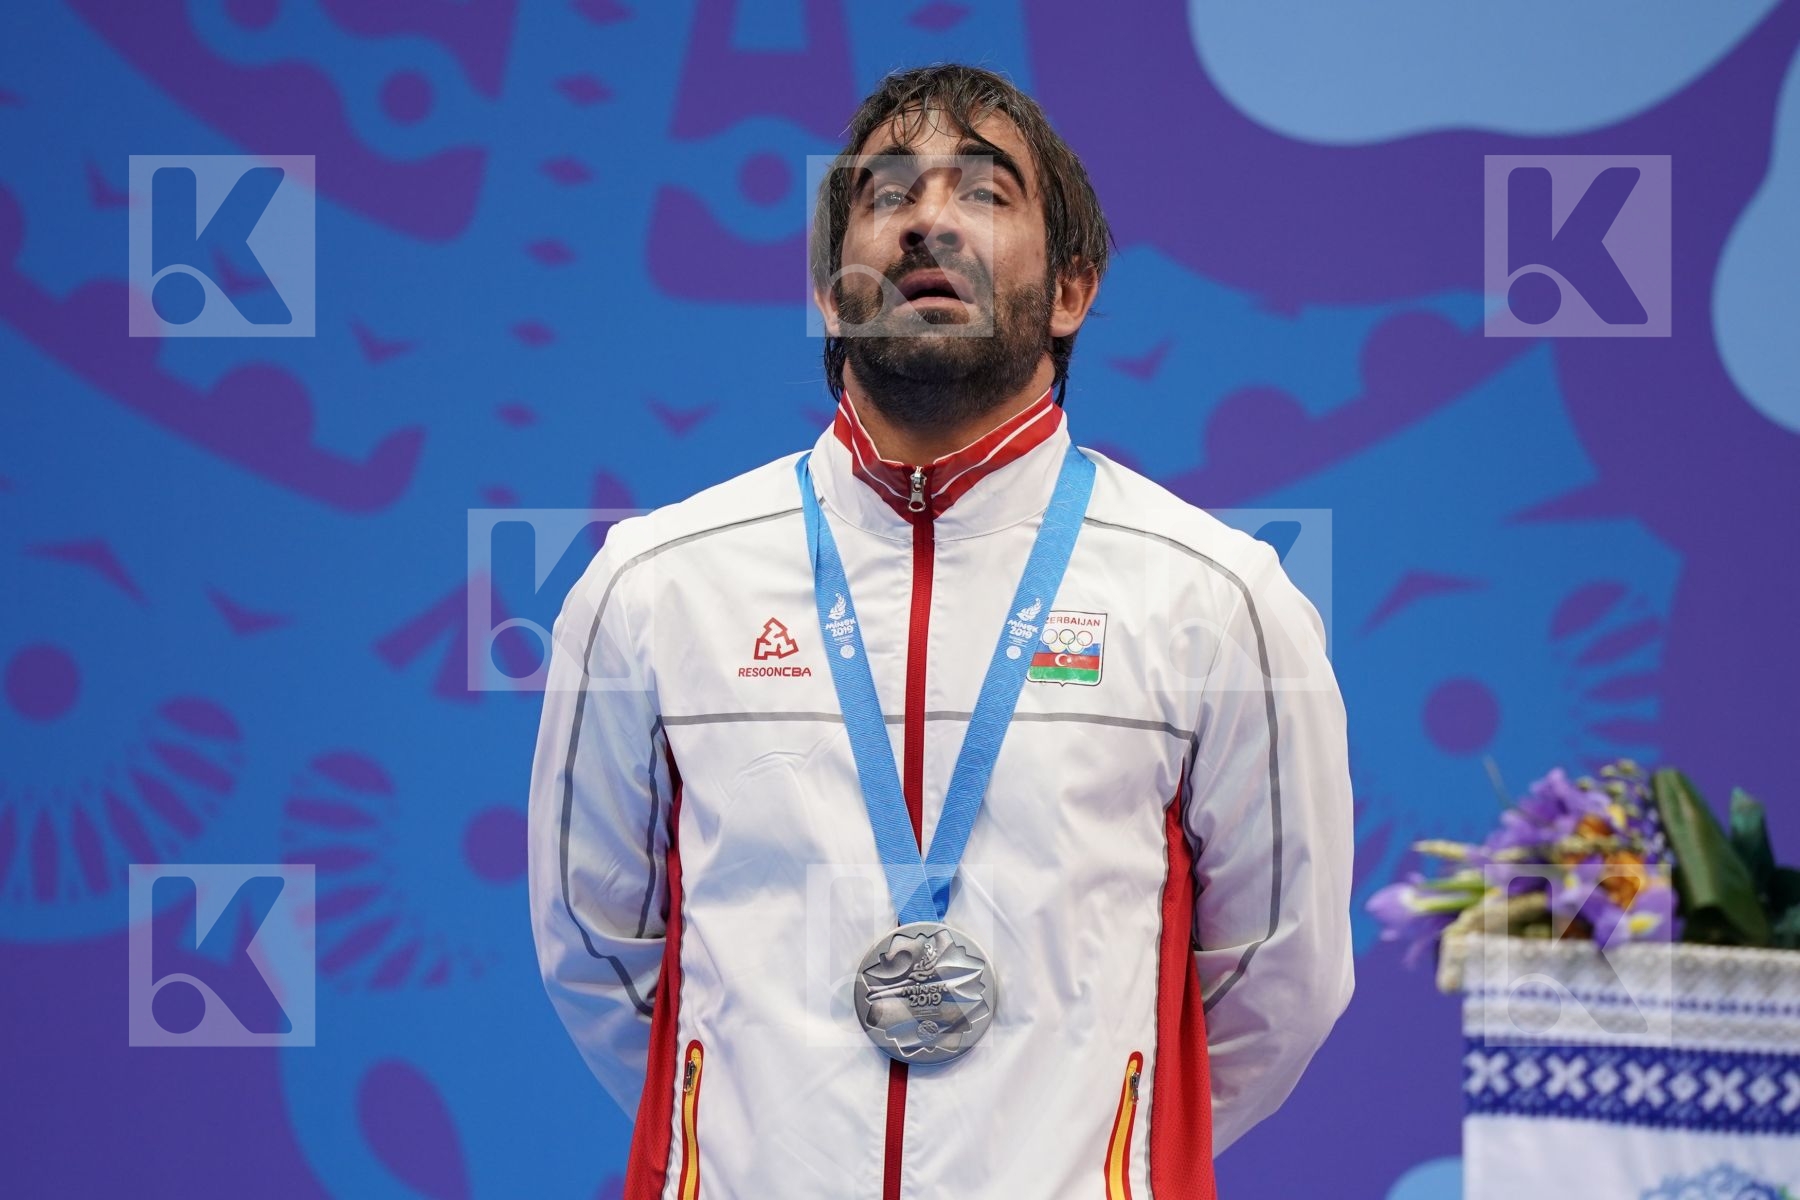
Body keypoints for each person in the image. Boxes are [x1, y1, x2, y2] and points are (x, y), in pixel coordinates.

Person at [528, 63, 1354, 1200]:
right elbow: (595, 948)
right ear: (832, 293)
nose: (929, 220)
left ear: (1071, 291)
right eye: (887, 194)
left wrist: (1093, 1149)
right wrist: (760, 1133)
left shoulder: (1216, 597)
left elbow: (1280, 975)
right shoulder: (655, 584)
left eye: (985, 190)